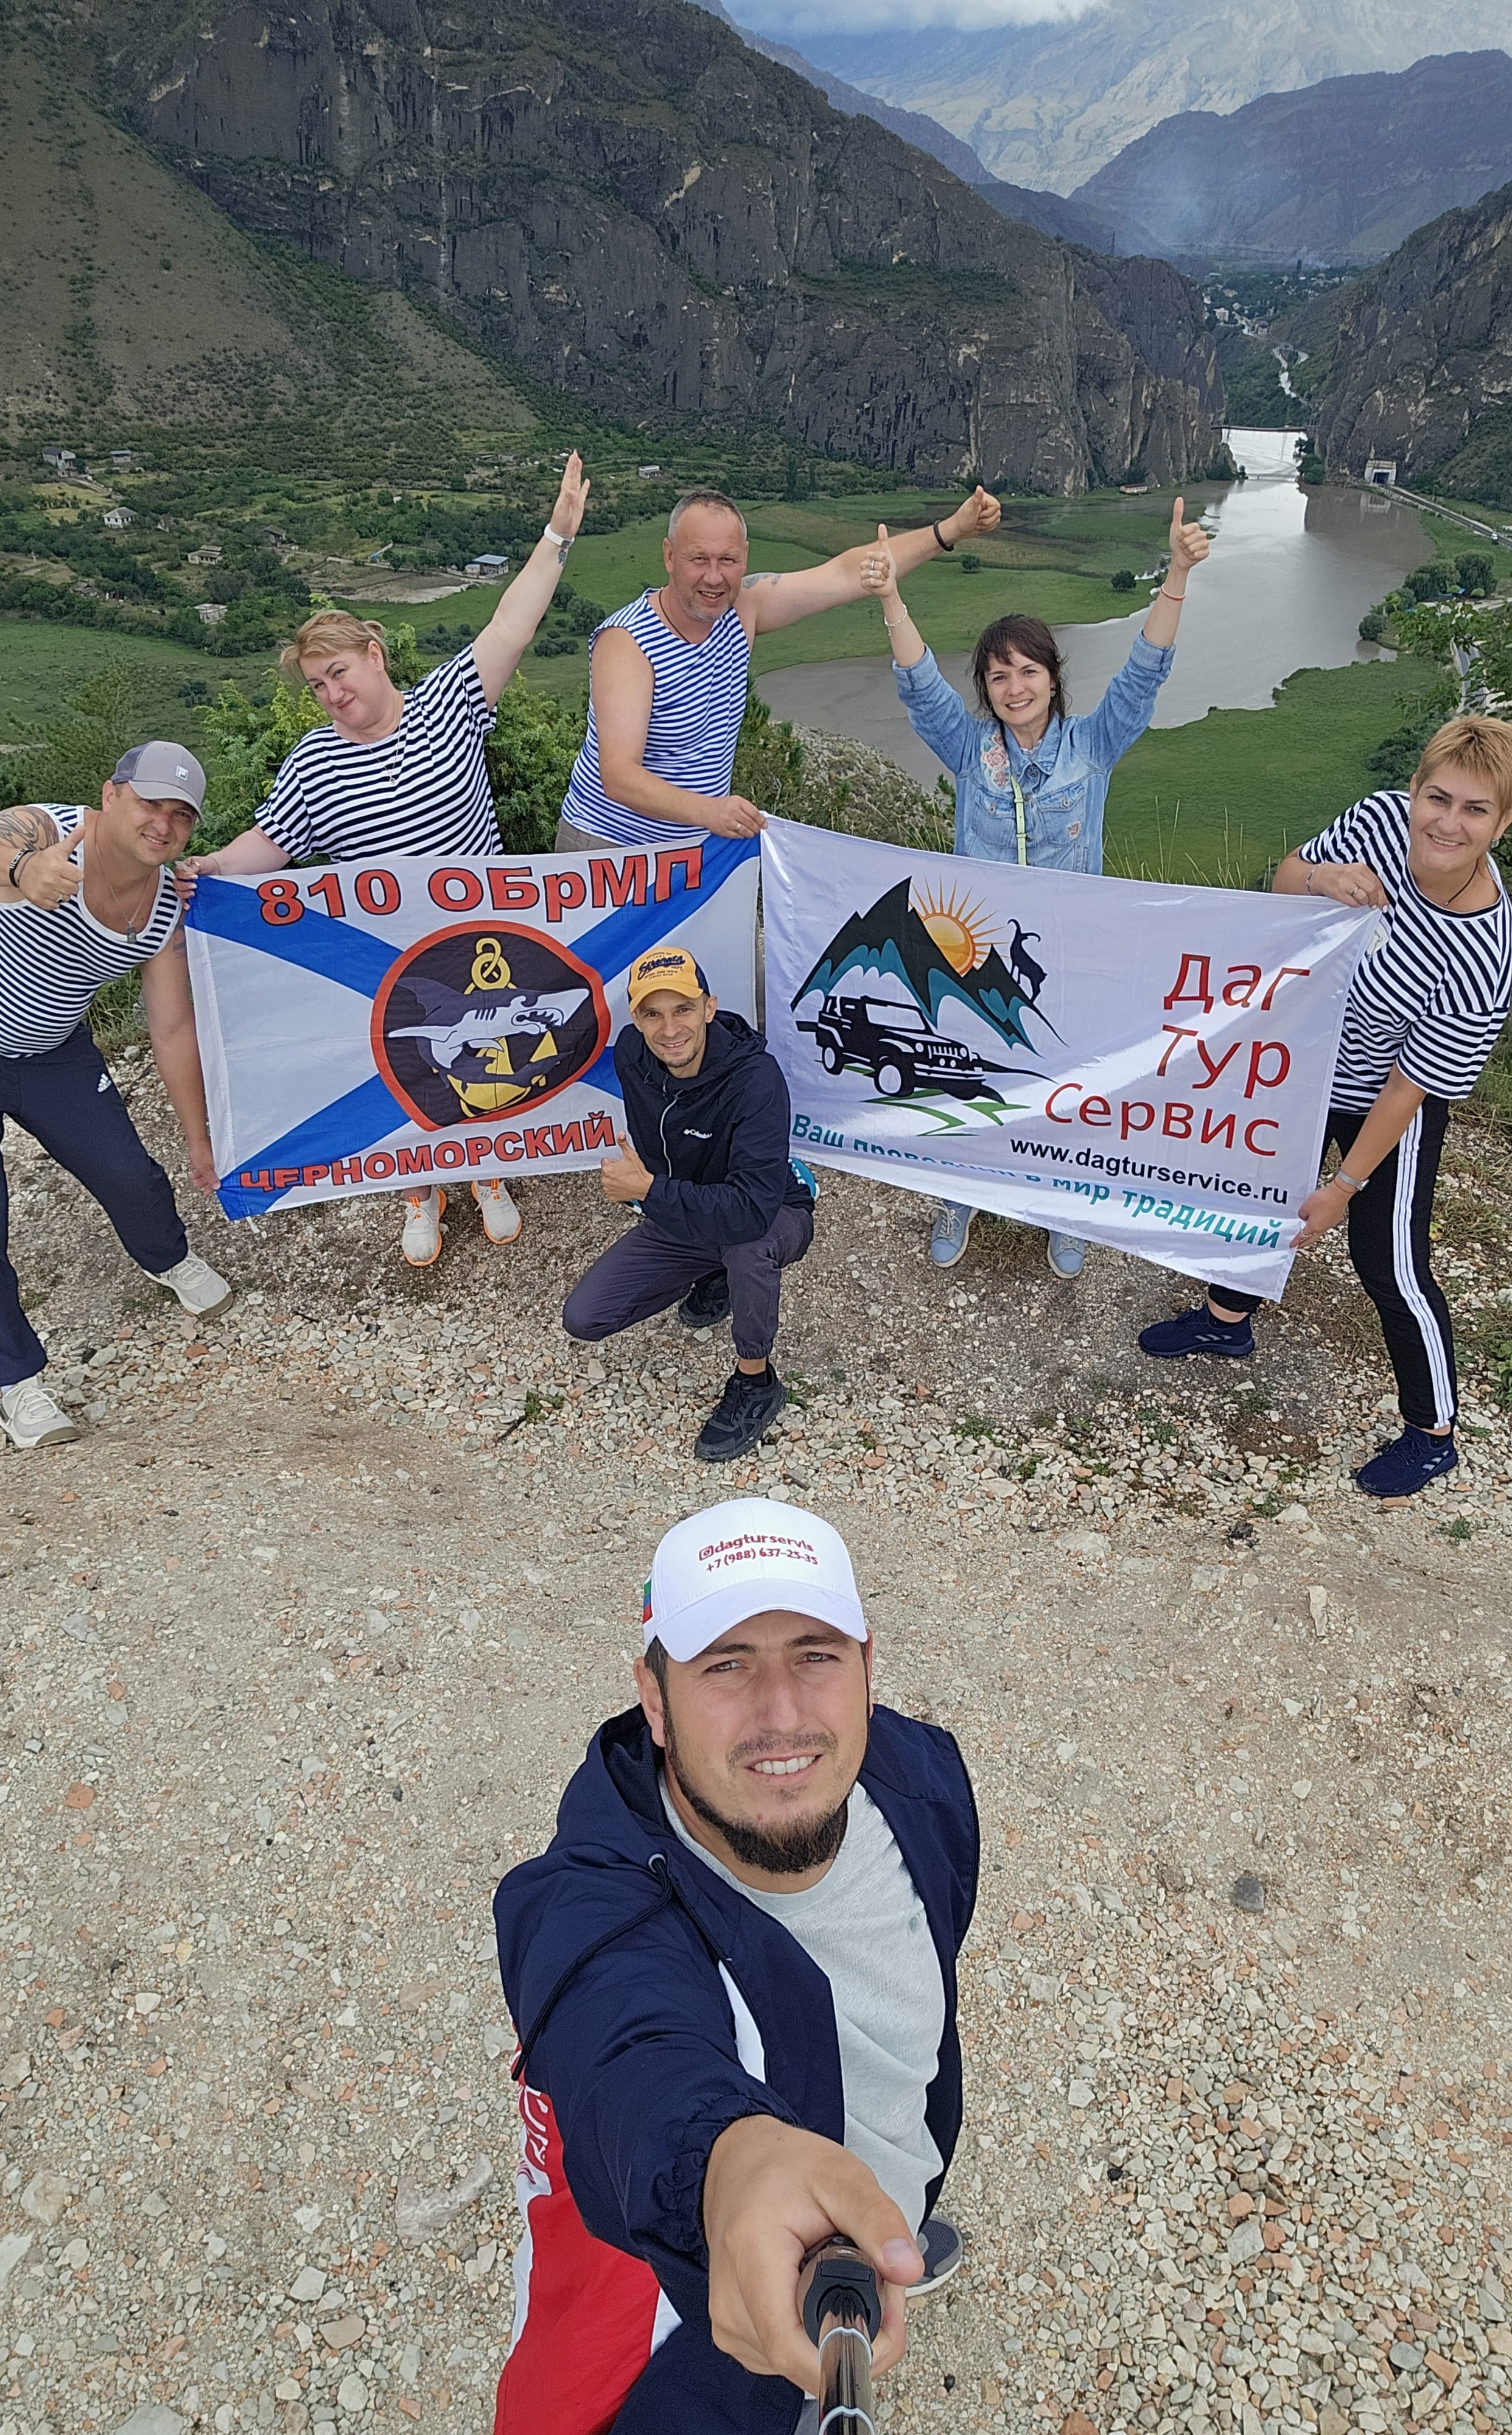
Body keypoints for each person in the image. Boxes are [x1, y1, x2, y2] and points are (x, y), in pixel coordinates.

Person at [493, 1497, 977, 2434]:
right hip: (697, 2329)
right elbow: (625, 2044)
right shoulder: (595, 1903)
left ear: (867, 1667)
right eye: (726, 1664)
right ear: (654, 1698)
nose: (782, 1715)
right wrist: (725, 2170)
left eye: (816, 1655)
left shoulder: (919, 1780)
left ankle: (894, 2231)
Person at [183, 450, 592, 1269]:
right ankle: (419, 1186)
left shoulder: (450, 701)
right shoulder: (312, 761)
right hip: (387, 955)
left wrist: (557, 535)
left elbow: (512, 623)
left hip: (479, 937)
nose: (332, 694)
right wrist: (216, 869)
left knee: (490, 1055)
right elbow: (272, 842)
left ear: (374, 653)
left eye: (338, 673)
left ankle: (486, 1169)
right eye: (317, 686)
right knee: (411, 1064)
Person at [1135, 713, 1512, 1499]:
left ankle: (1433, 1432)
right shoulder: (1379, 820)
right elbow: (1285, 881)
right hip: (1301, 1067)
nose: (1447, 823)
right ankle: (1225, 1321)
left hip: (1386, 1099)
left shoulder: (1482, 948)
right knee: (1253, 1195)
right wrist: (1323, 881)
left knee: (1388, 1262)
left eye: (1475, 809)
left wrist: (1344, 1185)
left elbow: (1411, 1085)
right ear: (1414, 790)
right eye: (1437, 798)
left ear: (1505, 820)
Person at [862, 495, 1211, 1279]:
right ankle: (961, 1192)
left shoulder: (1093, 746)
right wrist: (890, 597)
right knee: (968, 1070)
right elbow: (920, 685)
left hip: (1070, 954)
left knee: (1068, 1080)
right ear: (987, 690)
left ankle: (1063, 1202)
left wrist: (1178, 574)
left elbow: (1143, 675)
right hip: (973, 952)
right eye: (999, 675)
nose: (1015, 686)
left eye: (1029, 671)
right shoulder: (969, 749)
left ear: (1053, 679)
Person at [0, 743, 233, 1451]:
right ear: (111, 795)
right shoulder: (45, 831)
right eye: (150, 803)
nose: (162, 824)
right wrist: (19, 869)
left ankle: (165, 1257)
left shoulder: (166, 905)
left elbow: (171, 1028)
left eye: (181, 815)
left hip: (49, 1047)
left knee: (131, 1173)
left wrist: (199, 1140)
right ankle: (16, 1383)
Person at [555, 483, 1003, 857]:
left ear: (745, 558)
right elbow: (620, 775)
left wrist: (952, 529)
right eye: (699, 559)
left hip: (696, 847)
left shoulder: (743, 609)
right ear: (670, 556)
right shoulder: (628, 642)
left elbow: (848, 573)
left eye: (727, 560)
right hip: (609, 850)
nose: (714, 577)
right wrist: (710, 811)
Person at [561, 947, 816, 1465]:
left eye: (683, 1009)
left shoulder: (756, 1078)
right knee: (584, 1319)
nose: (669, 1029)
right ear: (636, 1020)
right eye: (652, 1014)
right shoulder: (631, 1054)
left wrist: (648, 1191)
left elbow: (752, 1209)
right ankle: (712, 1269)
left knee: (747, 1247)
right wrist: (653, 1195)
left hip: (771, 1213)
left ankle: (756, 1382)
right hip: (687, 1213)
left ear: (709, 1008)